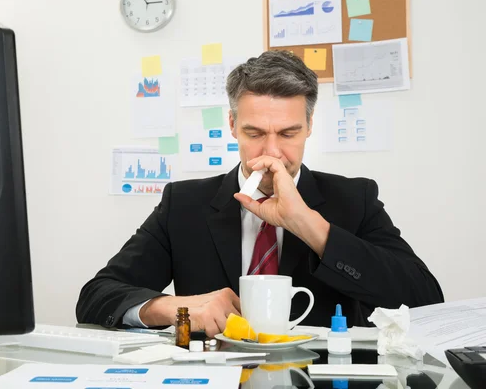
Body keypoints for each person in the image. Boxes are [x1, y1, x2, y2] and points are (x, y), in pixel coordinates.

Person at [76, 51, 443, 337]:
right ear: (233, 125)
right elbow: (96, 296)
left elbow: (424, 301)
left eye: (287, 134)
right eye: (254, 134)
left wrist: (308, 224)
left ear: (310, 127)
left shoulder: (354, 199)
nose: (271, 154)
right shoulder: (183, 204)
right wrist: (178, 309)